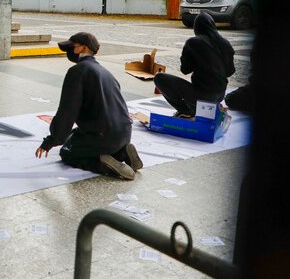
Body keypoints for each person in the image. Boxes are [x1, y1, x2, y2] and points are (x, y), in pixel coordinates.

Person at [35, 32, 143, 180]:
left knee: (67, 151)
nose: (69, 52)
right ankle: (122, 153)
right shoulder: (105, 72)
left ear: (83, 48)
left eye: (72, 47)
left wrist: (51, 140)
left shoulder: (77, 72)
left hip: (104, 136)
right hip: (124, 133)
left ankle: (104, 166)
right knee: (74, 135)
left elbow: (67, 112)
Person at [154, 11, 236, 117]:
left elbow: (185, 70)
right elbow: (230, 71)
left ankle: (186, 110)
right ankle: (199, 107)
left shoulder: (193, 42)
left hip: (201, 96)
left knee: (159, 78)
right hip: (219, 96)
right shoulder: (225, 43)